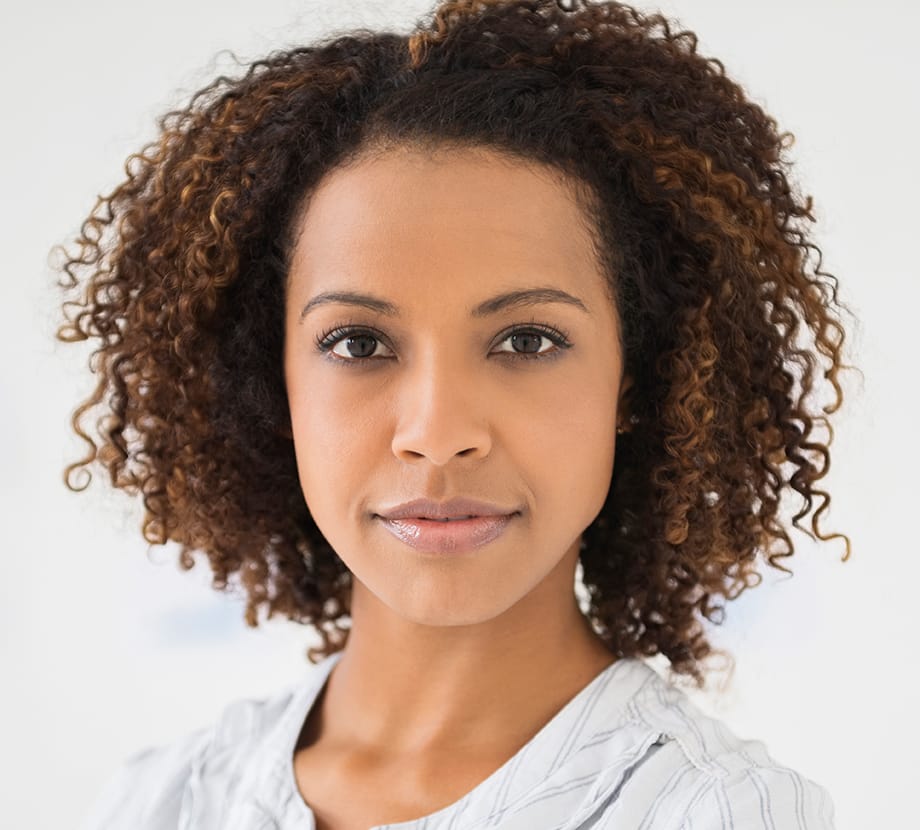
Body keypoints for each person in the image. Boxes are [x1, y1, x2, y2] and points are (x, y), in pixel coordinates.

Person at [57, 0, 856, 827]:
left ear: (636, 378)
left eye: (528, 340)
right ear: (269, 383)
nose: (437, 434)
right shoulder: (163, 802)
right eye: (360, 345)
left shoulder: (720, 814)